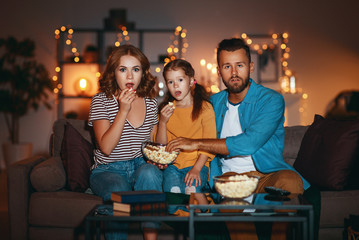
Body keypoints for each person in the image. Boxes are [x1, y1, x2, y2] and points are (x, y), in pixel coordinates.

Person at [166, 38, 311, 239]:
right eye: (227, 66)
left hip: (266, 175)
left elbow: (248, 143)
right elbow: (186, 125)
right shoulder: (212, 104)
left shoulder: (271, 100)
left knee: (291, 180)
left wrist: (197, 143)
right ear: (219, 71)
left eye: (239, 65)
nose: (234, 73)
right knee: (228, 191)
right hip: (228, 177)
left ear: (250, 67)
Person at [88, 44, 162, 240]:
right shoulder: (100, 101)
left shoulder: (151, 102)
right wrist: (123, 110)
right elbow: (106, 148)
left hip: (140, 164)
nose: (129, 77)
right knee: (118, 192)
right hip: (108, 169)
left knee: (150, 173)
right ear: (114, 73)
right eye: (123, 69)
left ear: (143, 73)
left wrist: (158, 158)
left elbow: (154, 145)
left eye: (135, 69)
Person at [156, 59, 216, 195]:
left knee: (191, 192)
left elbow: (209, 144)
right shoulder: (166, 110)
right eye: (170, 82)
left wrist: (196, 169)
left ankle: (196, 213)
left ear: (191, 81)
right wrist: (163, 122)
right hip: (173, 167)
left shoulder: (204, 108)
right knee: (173, 193)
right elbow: (161, 146)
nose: (175, 86)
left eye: (180, 80)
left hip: (198, 165)